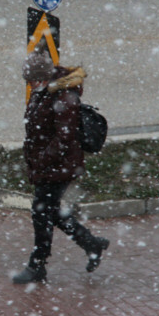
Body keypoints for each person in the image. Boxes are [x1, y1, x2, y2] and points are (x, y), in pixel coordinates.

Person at [13, 42, 110, 284]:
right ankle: (92, 244)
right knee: (51, 212)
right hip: (49, 165)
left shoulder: (64, 97)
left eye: (32, 81)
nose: (30, 85)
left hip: (60, 167)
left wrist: (42, 160)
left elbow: (63, 138)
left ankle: (37, 265)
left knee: (41, 212)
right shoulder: (45, 92)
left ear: (43, 77)